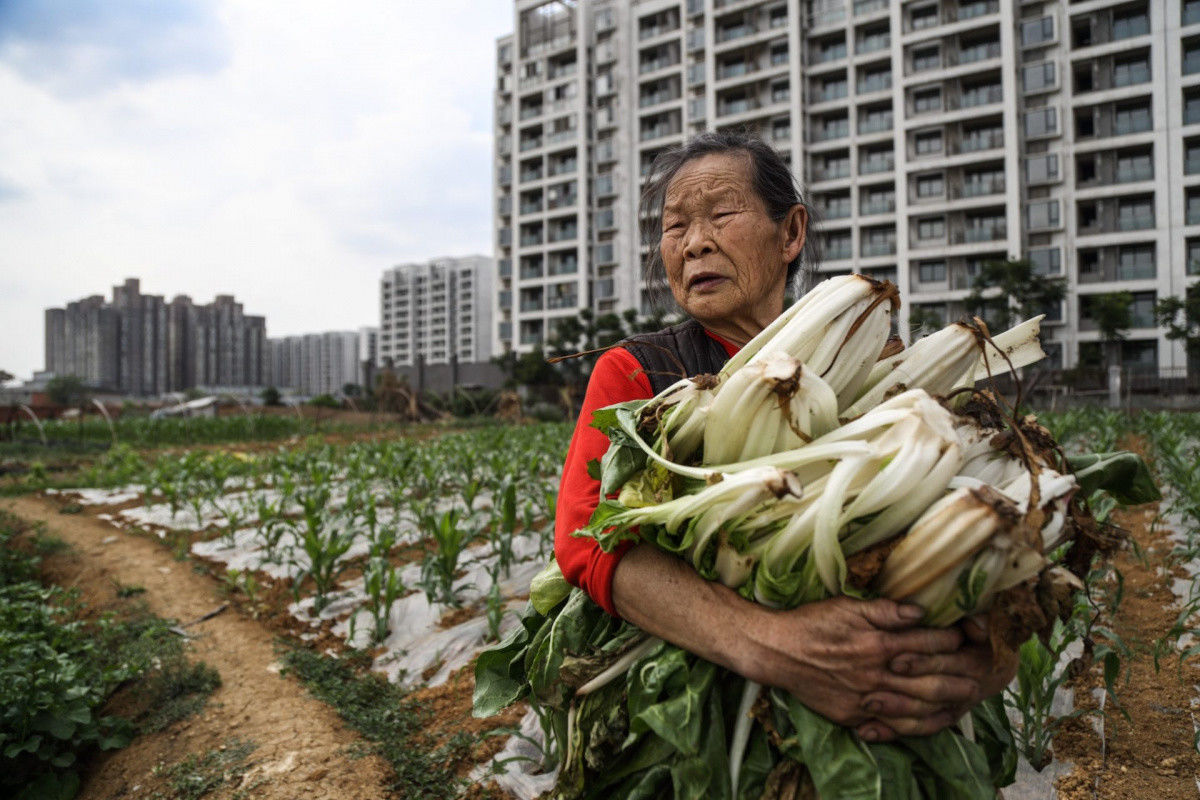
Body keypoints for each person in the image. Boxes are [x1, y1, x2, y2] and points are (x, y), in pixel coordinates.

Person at [554, 130, 1016, 745]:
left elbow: (980, 534)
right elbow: (587, 540)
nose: (695, 243)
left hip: (879, 722)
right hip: (697, 733)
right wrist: (778, 646)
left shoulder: (886, 373)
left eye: (721, 214)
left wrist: (976, 663)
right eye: (674, 227)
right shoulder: (638, 373)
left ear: (791, 233)